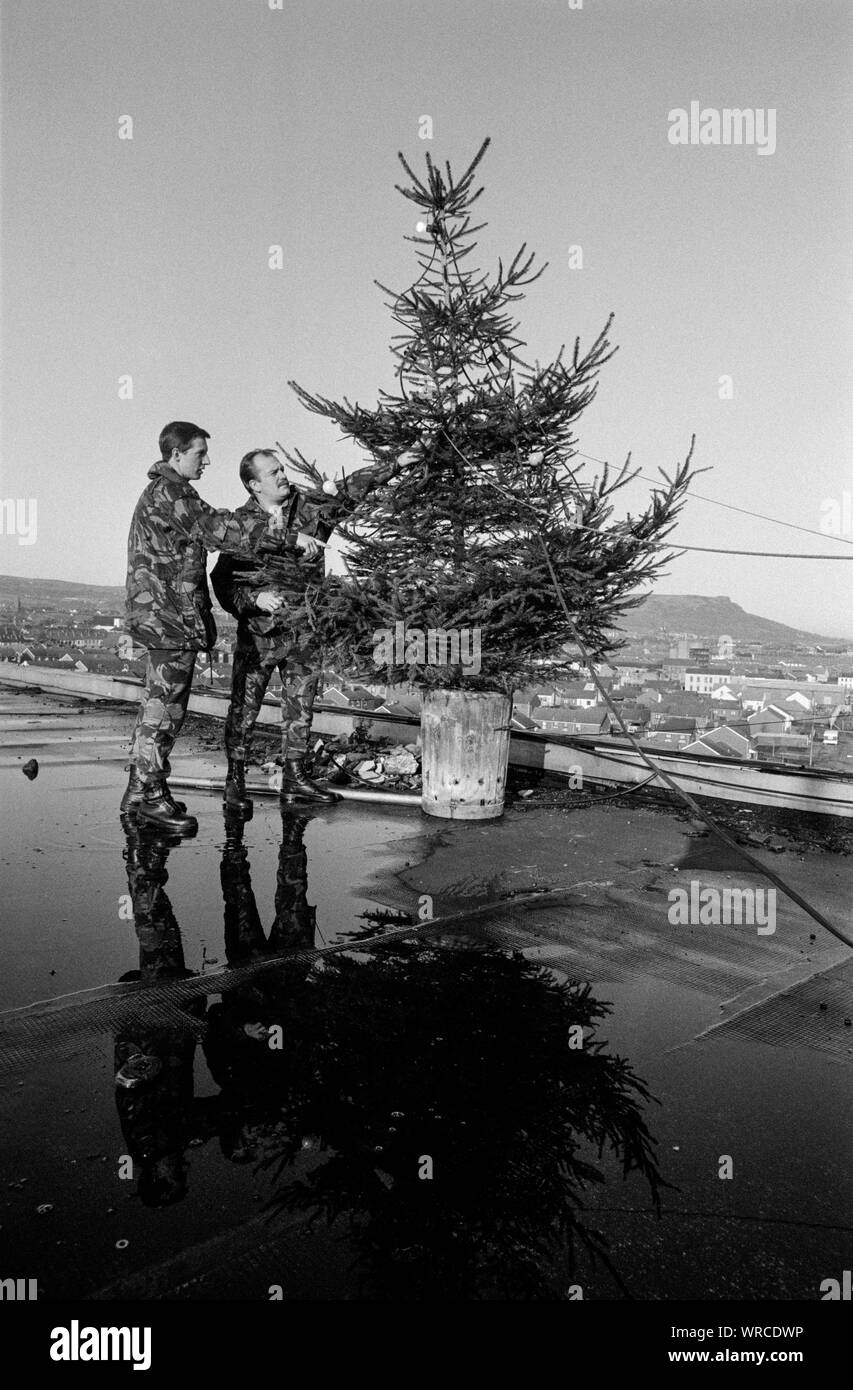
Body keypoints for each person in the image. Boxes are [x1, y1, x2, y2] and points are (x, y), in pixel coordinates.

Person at [123, 421, 290, 833]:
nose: (207, 460)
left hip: (164, 618)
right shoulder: (172, 492)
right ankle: (151, 797)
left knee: (157, 707)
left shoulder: (165, 491)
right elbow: (214, 528)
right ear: (176, 454)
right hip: (168, 619)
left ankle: (137, 790)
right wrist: (271, 525)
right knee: (165, 711)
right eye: (200, 453)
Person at [211, 447, 396, 811]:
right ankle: (236, 777)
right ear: (253, 485)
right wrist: (254, 600)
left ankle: (295, 777)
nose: (283, 476)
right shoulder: (242, 524)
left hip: (305, 631)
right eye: (273, 473)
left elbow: (349, 490)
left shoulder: (309, 508)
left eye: (282, 469)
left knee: (301, 707)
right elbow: (222, 580)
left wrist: (393, 464)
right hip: (260, 634)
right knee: (244, 709)